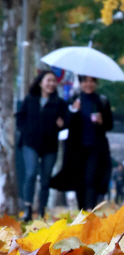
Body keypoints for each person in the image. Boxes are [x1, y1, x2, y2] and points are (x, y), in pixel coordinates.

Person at [51, 75, 113, 210]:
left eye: (91, 81)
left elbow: (109, 125)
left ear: (96, 83)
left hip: (96, 148)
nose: (88, 84)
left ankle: (90, 209)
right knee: (79, 181)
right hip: (76, 149)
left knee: (91, 179)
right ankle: (82, 211)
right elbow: (65, 123)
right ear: (80, 83)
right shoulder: (73, 101)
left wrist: (102, 122)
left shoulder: (101, 101)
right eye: (85, 81)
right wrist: (73, 110)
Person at [15, 70, 68, 220]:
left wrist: (62, 124)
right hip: (30, 143)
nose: (51, 84)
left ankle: (42, 212)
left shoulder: (59, 103)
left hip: (50, 146)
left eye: (53, 81)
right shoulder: (30, 99)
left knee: (45, 179)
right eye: (48, 80)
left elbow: (66, 123)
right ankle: (28, 209)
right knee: (31, 174)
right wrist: (24, 131)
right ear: (40, 82)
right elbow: (20, 117)